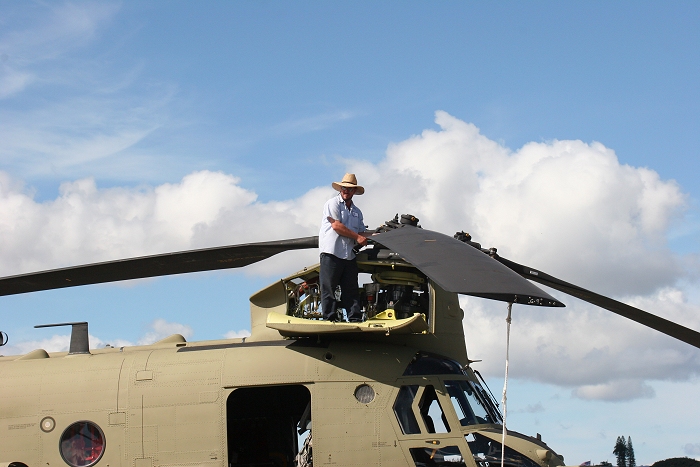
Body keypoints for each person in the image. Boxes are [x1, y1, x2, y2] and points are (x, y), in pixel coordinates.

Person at [318, 173, 371, 322]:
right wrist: (358, 238)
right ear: (340, 189)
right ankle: (329, 318)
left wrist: (377, 234)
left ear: (354, 192)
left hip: (348, 255)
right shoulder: (332, 204)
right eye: (344, 188)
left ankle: (355, 319)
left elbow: (361, 232)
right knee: (329, 287)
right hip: (332, 253)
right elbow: (337, 226)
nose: (346, 191)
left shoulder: (357, 212)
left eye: (349, 189)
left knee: (351, 289)